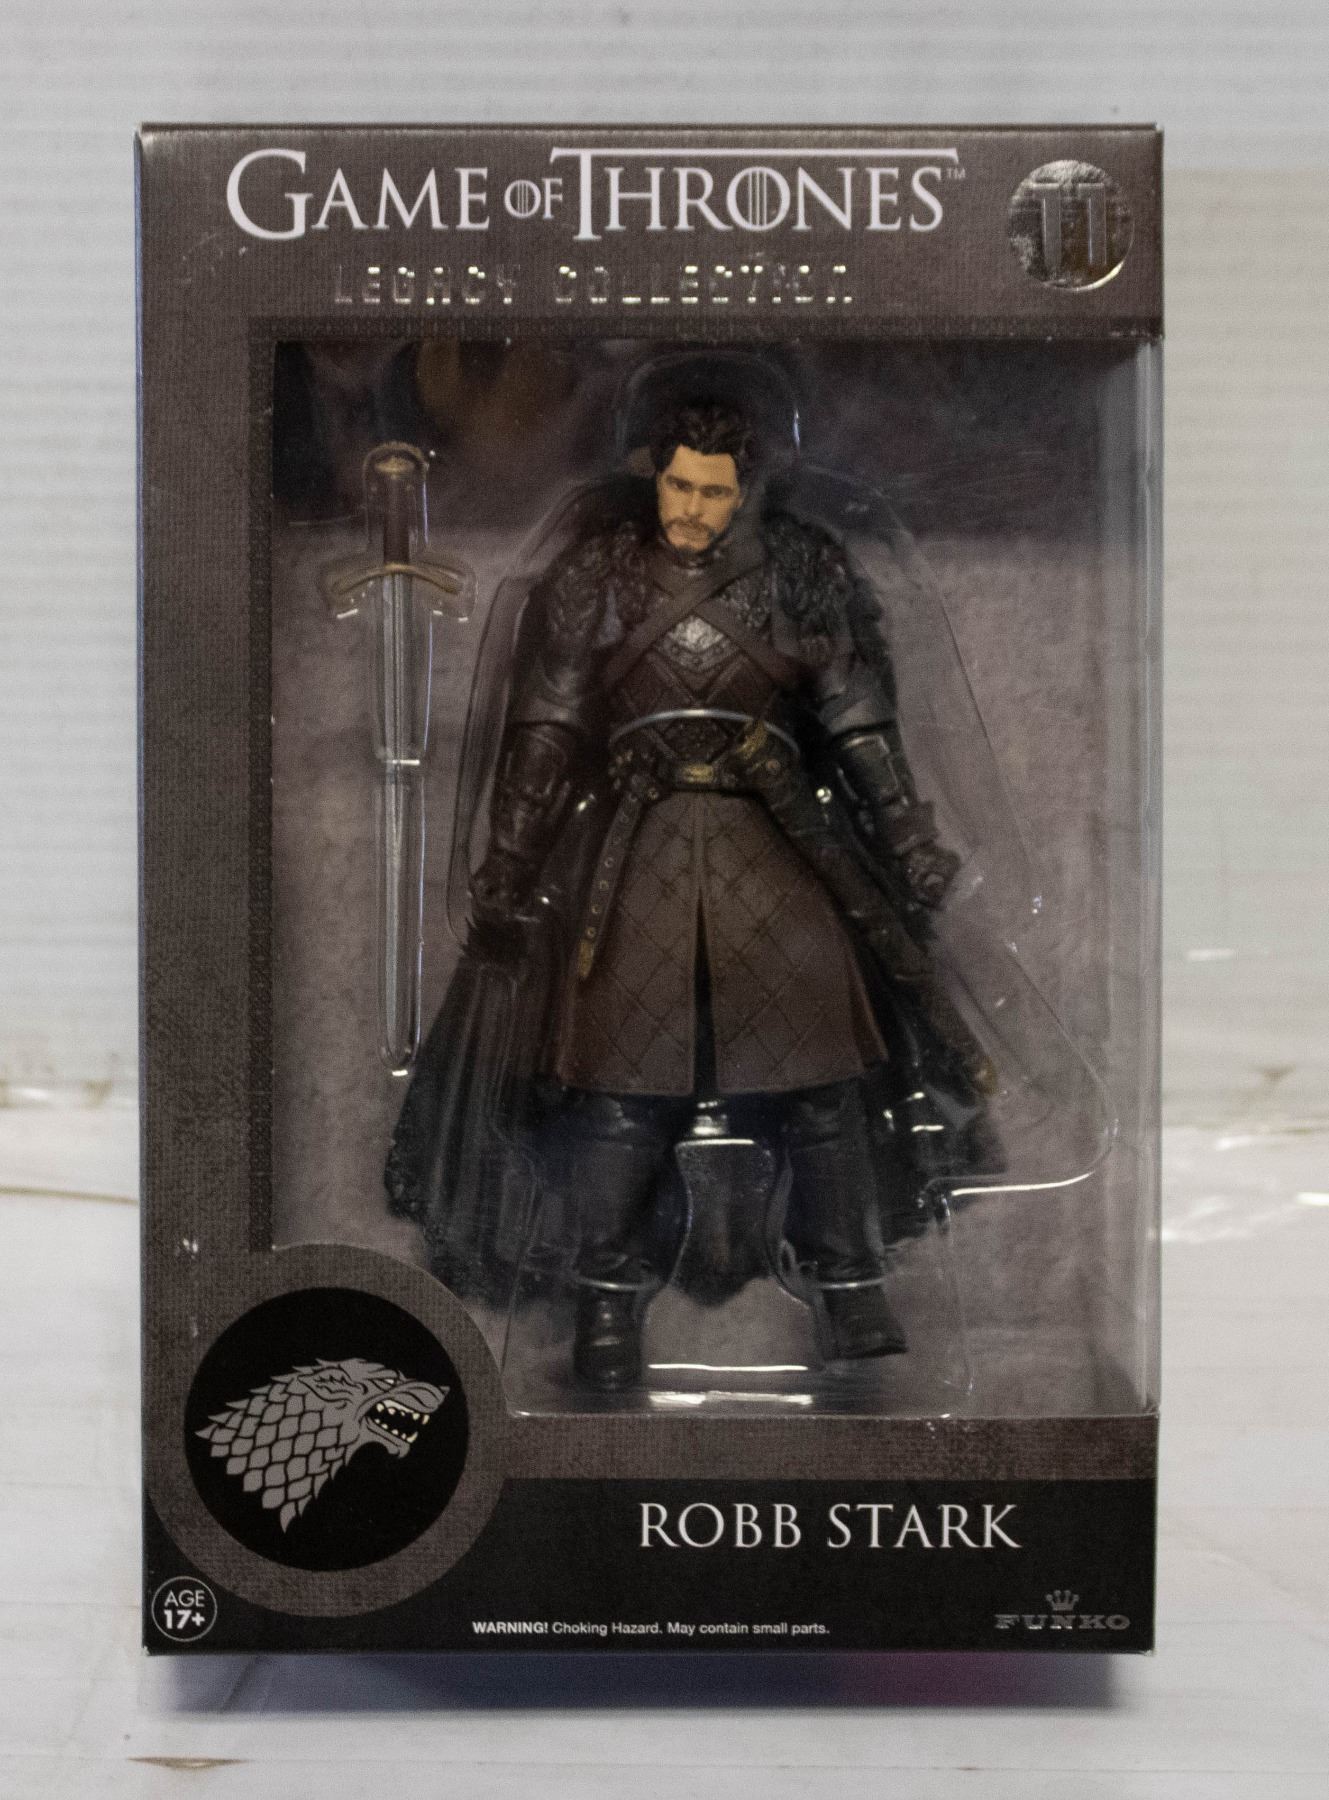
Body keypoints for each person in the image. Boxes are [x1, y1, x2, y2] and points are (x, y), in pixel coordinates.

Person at [388, 396, 992, 1390]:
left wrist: (908, 836)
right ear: (652, 475)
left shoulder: (798, 572)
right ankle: (605, 1301)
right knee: (622, 1102)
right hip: (636, 856)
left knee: (826, 1087)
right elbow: (545, 727)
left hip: (774, 845)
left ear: (745, 493)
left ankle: (849, 1283)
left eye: (714, 493)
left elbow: (856, 719)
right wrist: (511, 856)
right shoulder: (596, 578)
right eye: (678, 485)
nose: (692, 509)